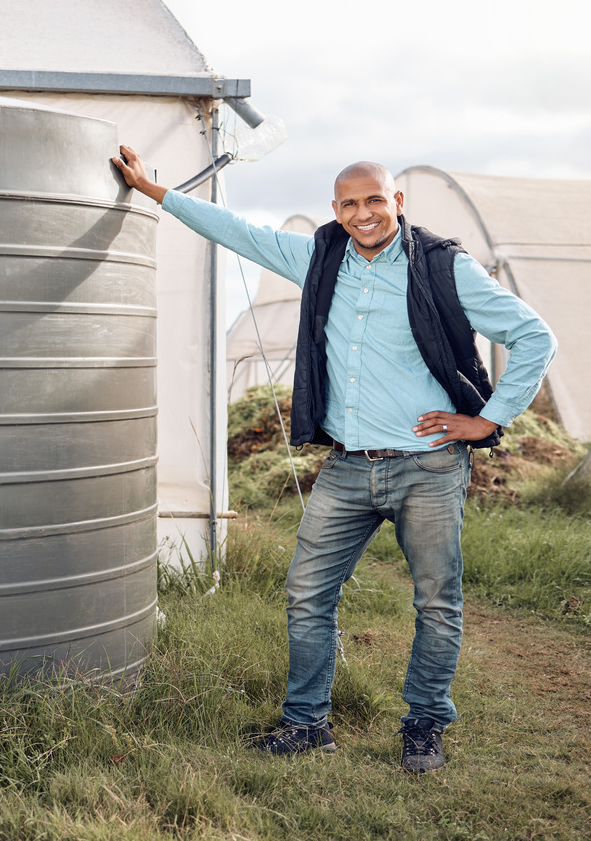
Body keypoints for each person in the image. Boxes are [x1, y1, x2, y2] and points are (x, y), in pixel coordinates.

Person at [112, 146, 556, 772]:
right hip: (347, 468)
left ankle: (425, 725)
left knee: (436, 601)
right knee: (306, 594)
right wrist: (157, 192)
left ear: (397, 202)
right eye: (350, 203)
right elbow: (238, 232)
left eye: (376, 199)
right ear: (336, 210)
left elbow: (535, 336)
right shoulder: (318, 257)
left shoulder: (444, 268)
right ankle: (306, 724)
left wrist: (487, 419)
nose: (364, 212)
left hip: (427, 465)